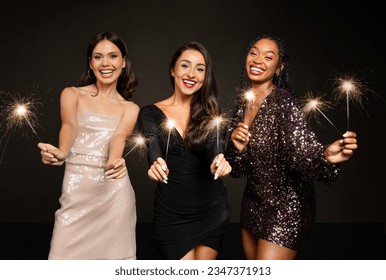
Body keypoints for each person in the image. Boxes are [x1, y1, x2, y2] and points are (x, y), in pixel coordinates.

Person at [226, 34, 358, 260]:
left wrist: (325, 156)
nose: (258, 60)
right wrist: (238, 148)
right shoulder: (242, 104)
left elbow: (303, 148)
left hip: (285, 209)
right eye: (253, 52)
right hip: (252, 204)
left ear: (279, 67)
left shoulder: (283, 101)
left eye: (269, 56)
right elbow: (238, 171)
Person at [37, 31, 139, 260]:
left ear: (123, 63)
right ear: (90, 63)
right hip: (76, 192)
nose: (105, 63)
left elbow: (119, 138)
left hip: (114, 196)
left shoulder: (130, 108)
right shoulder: (72, 94)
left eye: (113, 56)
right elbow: (69, 125)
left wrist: (115, 163)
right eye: (98, 57)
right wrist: (62, 152)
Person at [137, 41, 232, 260]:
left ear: (205, 75)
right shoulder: (150, 113)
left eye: (200, 68)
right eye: (185, 66)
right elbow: (153, 147)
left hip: (211, 211)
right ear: (173, 69)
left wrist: (220, 159)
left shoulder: (213, 114)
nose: (192, 74)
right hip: (172, 215)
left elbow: (215, 147)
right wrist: (155, 164)